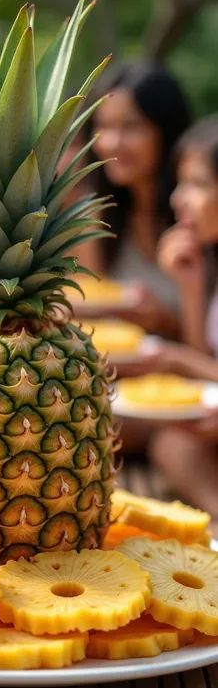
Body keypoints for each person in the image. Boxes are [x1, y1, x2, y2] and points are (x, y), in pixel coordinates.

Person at [80, 61, 191, 337]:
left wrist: (164, 321)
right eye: (103, 126)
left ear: (165, 130)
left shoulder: (197, 216)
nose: (112, 142)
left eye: (131, 127)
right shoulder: (96, 218)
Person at [147, 115, 218, 518]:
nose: (177, 199)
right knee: (172, 444)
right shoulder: (210, 259)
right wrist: (190, 287)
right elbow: (203, 367)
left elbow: (193, 364)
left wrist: (175, 358)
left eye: (197, 183)